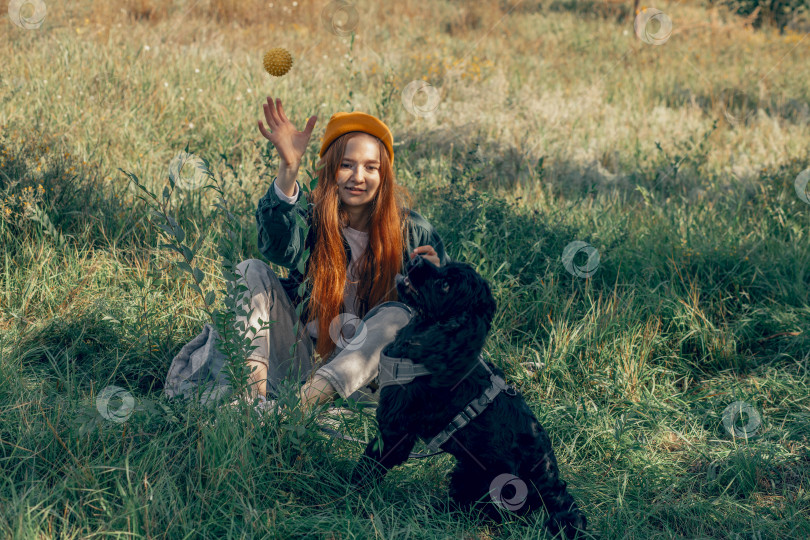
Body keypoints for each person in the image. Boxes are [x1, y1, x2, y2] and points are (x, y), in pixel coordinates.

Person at [232, 96, 451, 413]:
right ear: (330, 170)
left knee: (396, 315)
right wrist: (289, 168)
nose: (358, 176)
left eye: (370, 167)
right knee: (250, 270)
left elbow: (450, 322)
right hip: (304, 362)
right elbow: (277, 246)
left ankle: (293, 414)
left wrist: (436, 287)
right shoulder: (312, 220)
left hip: (369, 381)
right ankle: (253, 406)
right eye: (346, 165)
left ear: (384, 174)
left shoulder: (412, 231)